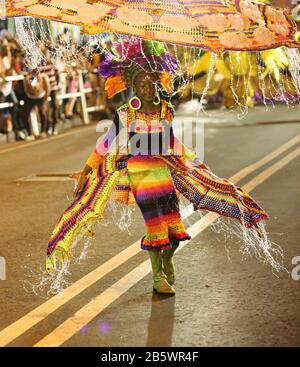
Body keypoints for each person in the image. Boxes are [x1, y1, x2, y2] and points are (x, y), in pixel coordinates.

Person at [46, 39, 270, 296]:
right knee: (155, 225)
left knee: (174, 227)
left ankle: (167, 260)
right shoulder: (126, 113)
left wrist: (191, 160)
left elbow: (172, 140)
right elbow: (105, 143)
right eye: (141, 84)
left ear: (158, 83)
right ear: (133, 86)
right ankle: (157, 276)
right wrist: (87, 169)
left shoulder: (166, 109)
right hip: (141, 173)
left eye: (152, 83)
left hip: (164, 169)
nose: (147, 88)